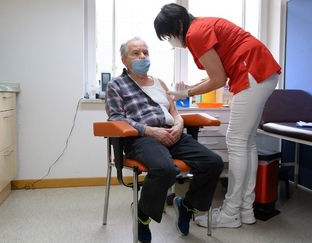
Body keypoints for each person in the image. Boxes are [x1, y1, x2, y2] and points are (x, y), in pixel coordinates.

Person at [154, 3, 281, 228]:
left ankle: (230, 213)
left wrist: (187, 92)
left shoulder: (195, 33)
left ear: (179, 25)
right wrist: (192, 87)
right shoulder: (201, 25)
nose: (171, 41)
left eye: (169, 34)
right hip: (260, 71)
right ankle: (245, 210)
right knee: (247, 143)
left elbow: (218, 80)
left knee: (236, 141)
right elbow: (217, 74)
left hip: (251, 71)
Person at [105, 37, 224, 243]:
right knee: (166, 169)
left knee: (213, 162)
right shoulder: (117, 85)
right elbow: (116, 118)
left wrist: (179, 125)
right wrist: (150, 131)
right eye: (136, 53)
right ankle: (142, 216)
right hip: (141, 138)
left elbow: (174, 111)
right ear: (124, 60)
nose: (142, 56)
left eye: (145, 52)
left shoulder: (159, 82)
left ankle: (186, 206)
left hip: (172, 133)